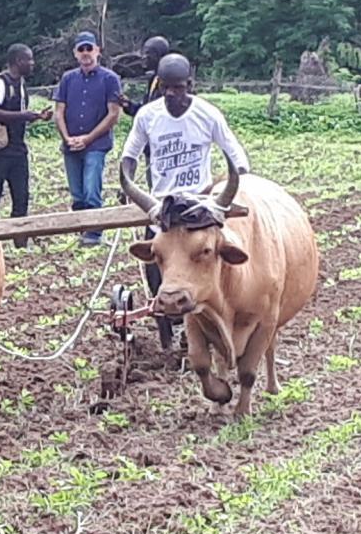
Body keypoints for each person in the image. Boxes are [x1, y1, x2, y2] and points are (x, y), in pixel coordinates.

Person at [119, 52, 250, 350]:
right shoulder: (148, 116)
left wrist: (235, 186)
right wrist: (128, 181)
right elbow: (131, 154)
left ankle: (201, 324)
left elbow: (236, 155)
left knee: (202, 264)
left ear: (189, 84)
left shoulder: (207, 114)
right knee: (156, 265)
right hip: (162, 208)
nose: (171, 94)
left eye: (178, 87)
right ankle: (165, 326)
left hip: (199, 208)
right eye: (166, 87)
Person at [51, 31, 124, 246]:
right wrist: (67, 138)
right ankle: (82, 229)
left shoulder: (110, 79)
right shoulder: (67, 79)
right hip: (71, 143)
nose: (85, 53)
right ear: (75, 53)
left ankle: (94, 233)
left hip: (96, 144)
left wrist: (88, 138)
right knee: (77, 192)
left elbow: (113, 114)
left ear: (97, 51)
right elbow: (59, 111)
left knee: (92, 188)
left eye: (89, 48)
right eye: (81, 49)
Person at [0, 44, 53, 247]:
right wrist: (23, 116)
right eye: (28, 59)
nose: (32, 64)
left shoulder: (20, 84)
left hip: (17, 148)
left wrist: (37, 117)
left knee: (21, 196)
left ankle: (20, 242)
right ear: (17, 61)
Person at [118, 35, 170, 119]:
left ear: (158, 55)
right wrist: (129, 105)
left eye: (147, 53)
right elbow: (146, 111)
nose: (143, 57)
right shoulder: (154, 79)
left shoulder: (169, 83)